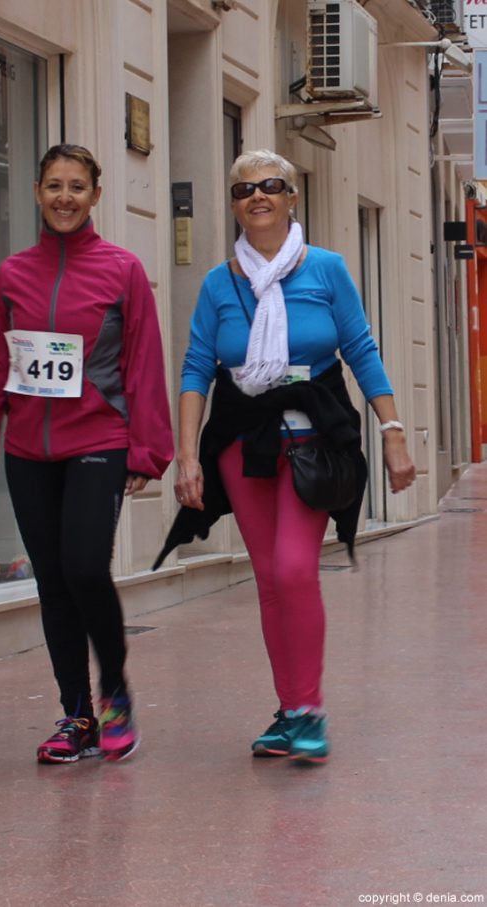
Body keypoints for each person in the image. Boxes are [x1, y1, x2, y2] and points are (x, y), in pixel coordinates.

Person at [163, 149, 415, 764]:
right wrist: (187, 454)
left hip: (313, 440)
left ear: (292, 198)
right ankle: (290, 710)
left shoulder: (325, 269)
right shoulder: (219, 284)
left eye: (271, 186)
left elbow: (359, 348)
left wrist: (393, 428)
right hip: (242, 444)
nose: (258, 196)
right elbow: (199, 366)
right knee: (271, 581)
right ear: (233, 204)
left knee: (298, 569)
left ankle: (308, 709)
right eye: (244, 189)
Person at [0, 143, 173, 764]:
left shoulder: (121, 270)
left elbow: (143, 362)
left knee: (84, 570)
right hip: (27, 451)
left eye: (77, 186)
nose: (65, 197)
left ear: (96, 195)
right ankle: (76, 715)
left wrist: (146, 451)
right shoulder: (12, 273)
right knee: (52, 582)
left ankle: (115, 695)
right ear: (38, 193)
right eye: (54, 186)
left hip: (98, 442)